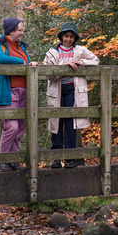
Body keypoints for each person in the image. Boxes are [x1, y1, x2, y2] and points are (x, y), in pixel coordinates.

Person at [43, 21, 99, 169]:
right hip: (57, 90)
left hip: (73, 91)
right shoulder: (52, 52)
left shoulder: (80, 50)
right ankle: (56, 158)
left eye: (71, 37)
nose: (68, 39)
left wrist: (81, 62)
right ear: (61, 36)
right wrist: (64, 67)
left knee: (71, 123)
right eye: (66, 36)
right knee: (56, 123)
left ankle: (70, 158)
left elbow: (96, 61)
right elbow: (48, 73)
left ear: (74, 38)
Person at [0, 17, 37, 172]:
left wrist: (30, 64)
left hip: (24, 91)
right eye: (19, 30)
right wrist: (20, 62)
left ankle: (14, 160)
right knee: (11, 127)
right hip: (6, 91)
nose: (22, 33)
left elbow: (25, 63)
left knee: (21, 127)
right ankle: (3, 159)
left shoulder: (22, 46)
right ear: (11, 31)